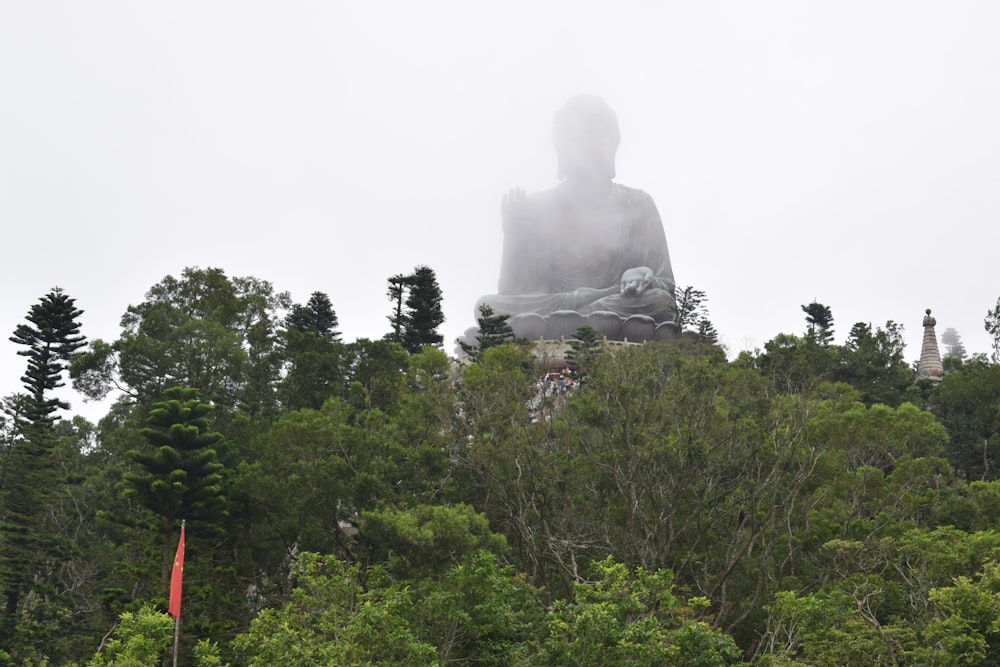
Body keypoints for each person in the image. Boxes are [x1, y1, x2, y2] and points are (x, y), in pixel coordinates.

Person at [477, 95, 677, 338]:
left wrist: (647, 278)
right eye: (576, 136)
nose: (586, 144)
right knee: (487, 308)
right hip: (561, 310)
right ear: (560, 145)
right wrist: (514, 234)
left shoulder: (638, 204)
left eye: (596, 135)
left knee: (659, 302)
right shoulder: (535, 208)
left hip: (614, 309)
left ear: (613, 144)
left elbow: (667, 290)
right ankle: (585, 311)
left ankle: (583, 313)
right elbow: (512, 292)